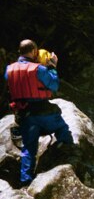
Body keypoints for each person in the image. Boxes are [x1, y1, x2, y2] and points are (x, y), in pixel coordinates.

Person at [4, 39, 74, 186]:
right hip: (44, 112)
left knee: (28, 148)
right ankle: (62, 151)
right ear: (34, 51)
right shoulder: (39, 69)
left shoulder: (9, 70)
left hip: (25, 115)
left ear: (20, 52)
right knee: (62, 129)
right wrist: (52, 67)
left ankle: (26, 181)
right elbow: (54, 85)